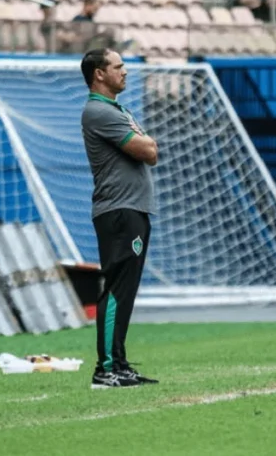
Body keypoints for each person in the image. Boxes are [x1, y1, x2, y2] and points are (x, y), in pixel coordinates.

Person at [80, 48, 159, 388]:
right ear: (99, 73)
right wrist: (147, 142)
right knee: (116, 290)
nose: (125, 72)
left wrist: (147, 142)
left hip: (133, 208)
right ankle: (106, 368)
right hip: (119, 210)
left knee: (125, 291)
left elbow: (148, 148)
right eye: (118, 66)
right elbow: (148, 151)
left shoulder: (116, 109)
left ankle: (120, 363)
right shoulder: (99, 111)